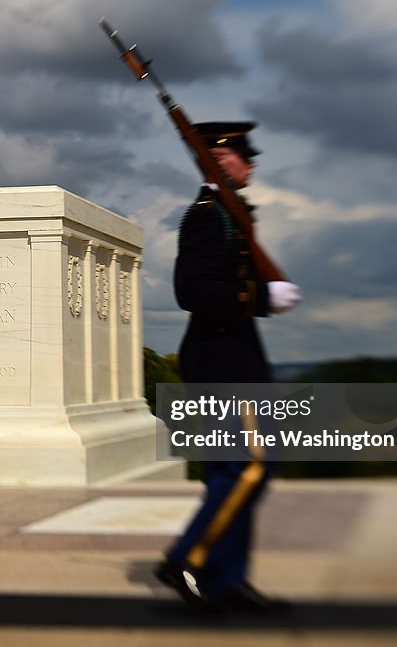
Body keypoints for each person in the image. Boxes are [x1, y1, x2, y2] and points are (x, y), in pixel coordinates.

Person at [156, 121, 302, 612]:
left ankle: (225, 582)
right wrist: (262, 296)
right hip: (222, 362)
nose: (253, 164)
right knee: (250, 466)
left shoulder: (228, 216)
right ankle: (187, 560)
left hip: (229, 357)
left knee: (230, 471)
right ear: (221, 160)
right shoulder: (206, 217)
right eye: (244, 155)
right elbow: (191, 292)